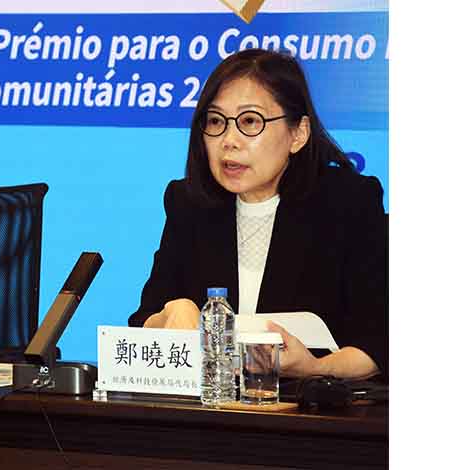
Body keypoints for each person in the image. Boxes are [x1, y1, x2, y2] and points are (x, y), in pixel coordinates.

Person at [129, 49, 387, 380]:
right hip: (211, 404)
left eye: (250, 121)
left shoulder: (347, 202)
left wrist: (315, 369)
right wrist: (169, 314)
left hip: (309, 406)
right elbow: (143, 320)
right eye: (216, 121)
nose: (229, 141)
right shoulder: (190, 204)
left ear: (298, 133)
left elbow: (379, 343)